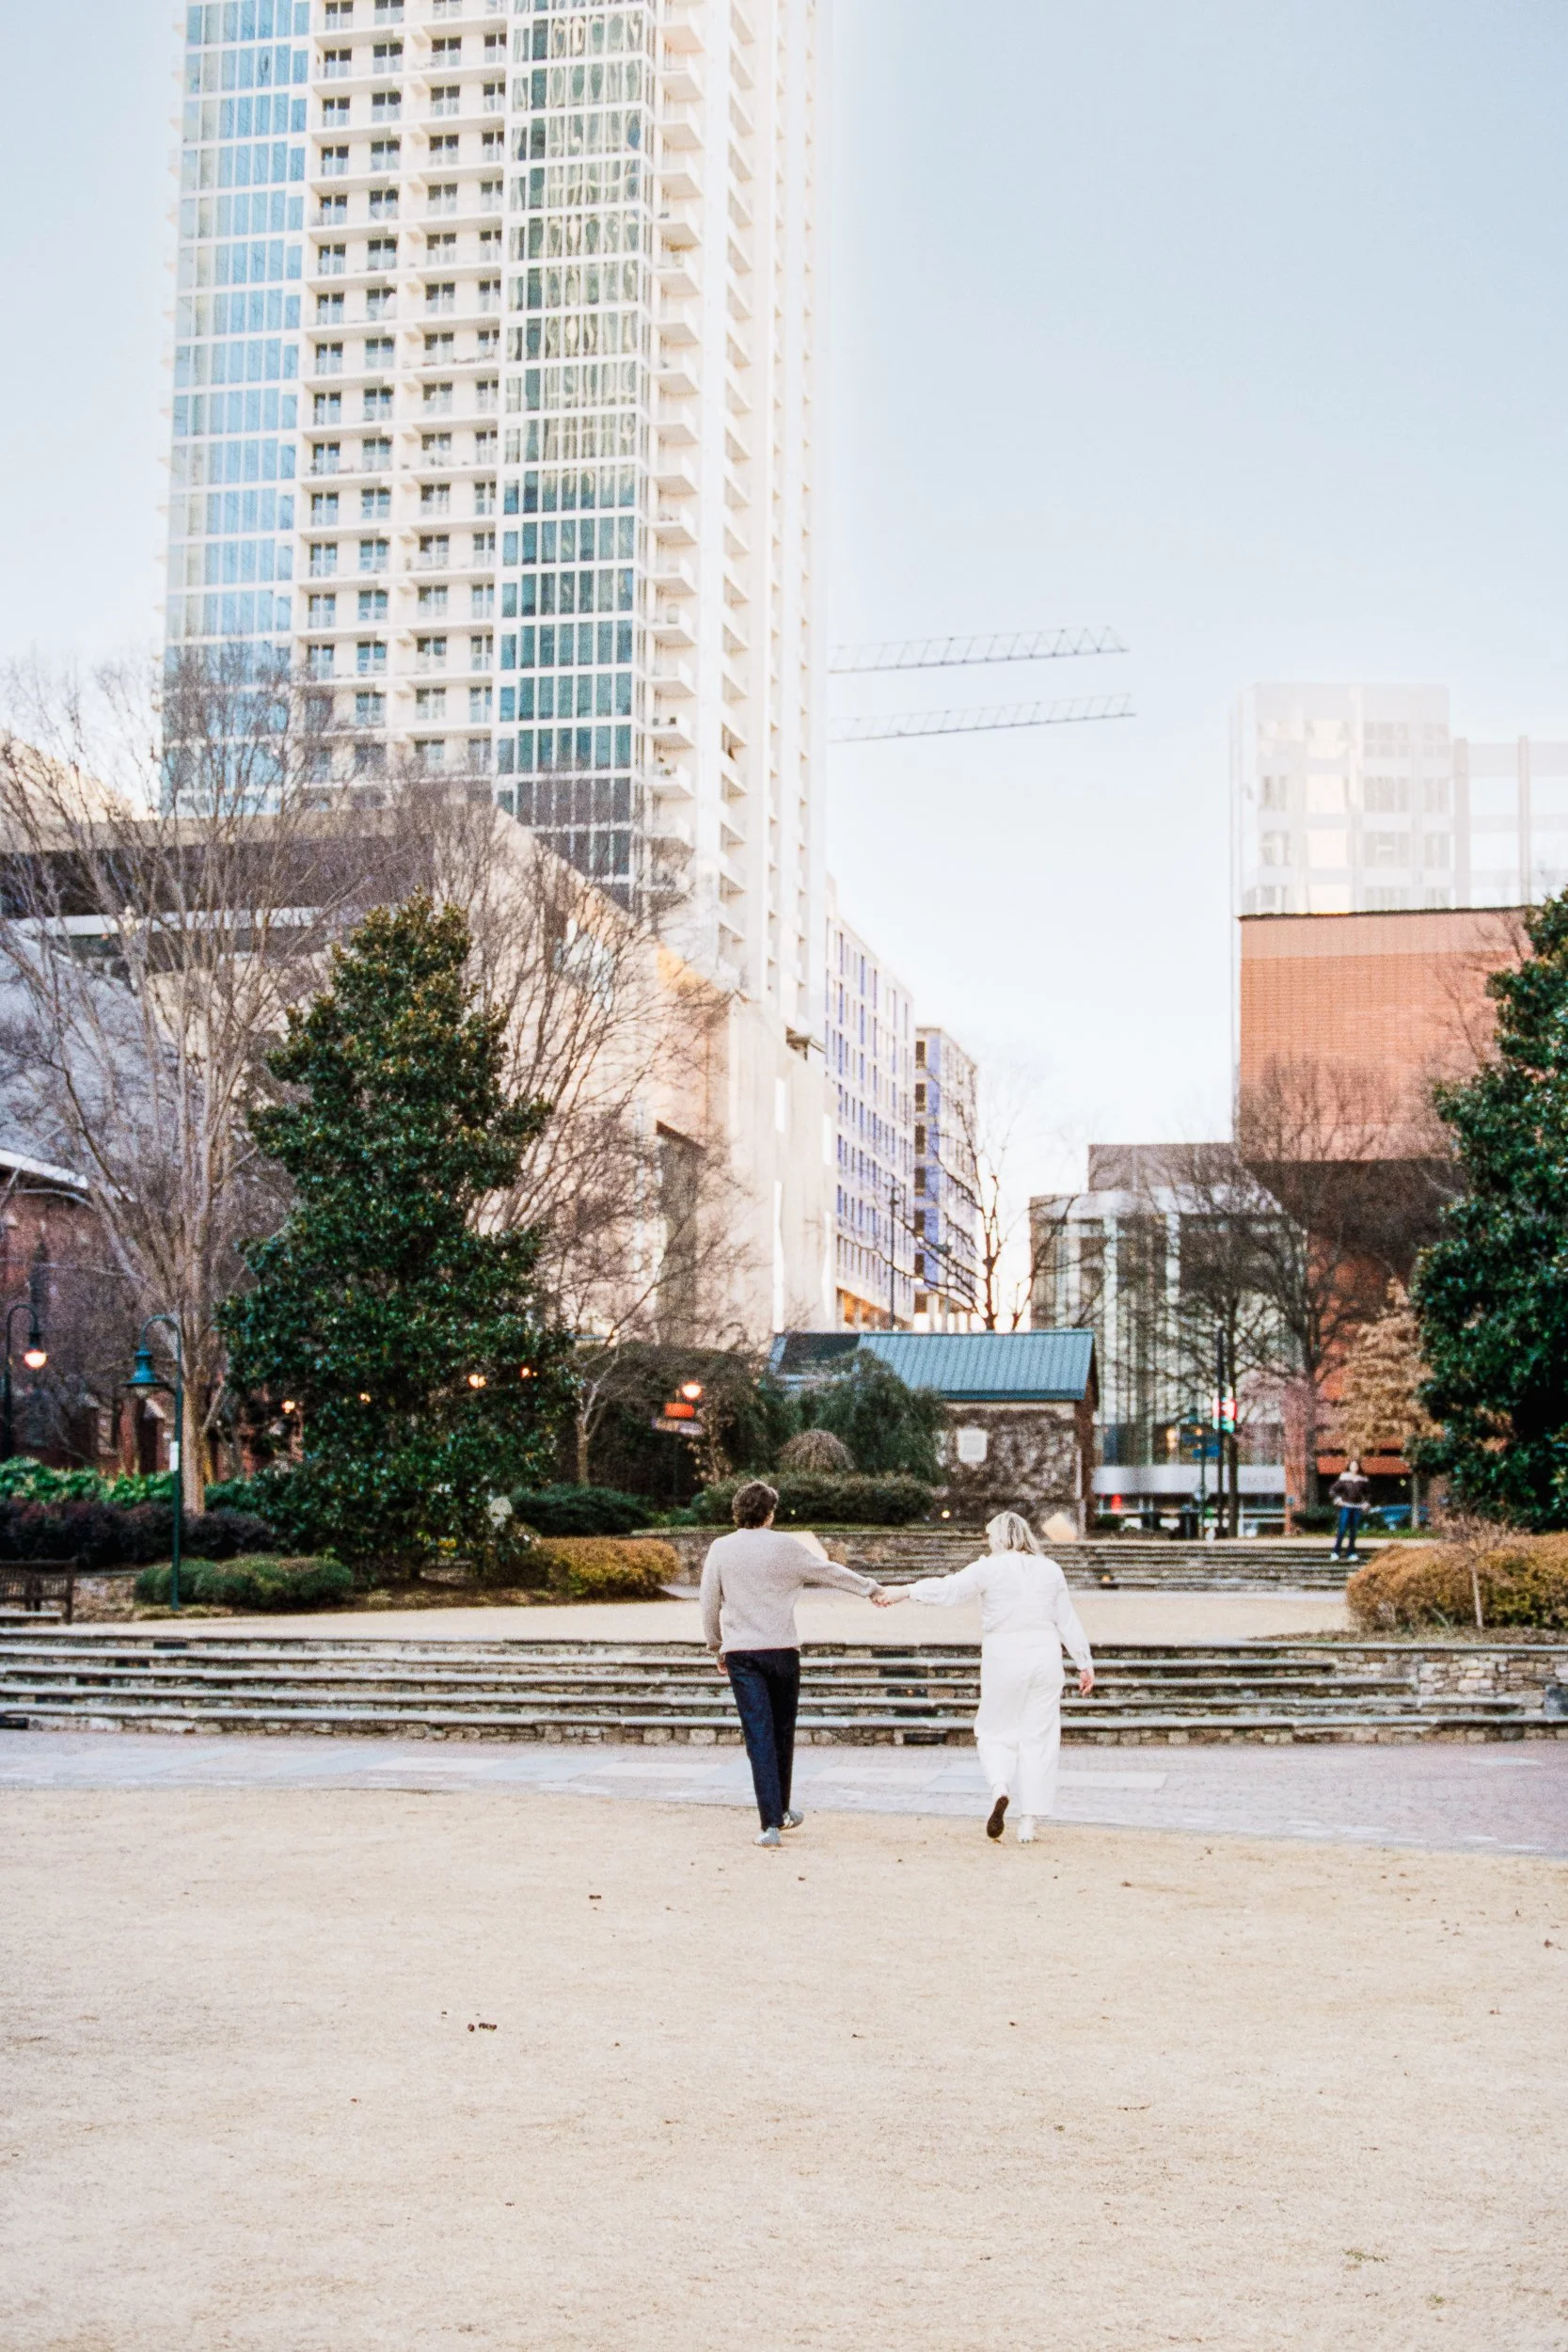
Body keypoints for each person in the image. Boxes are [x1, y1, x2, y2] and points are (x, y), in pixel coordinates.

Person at [700, 1478, 895, 1848]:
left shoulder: (721, 1549)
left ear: (737, 1512)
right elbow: (829, 1571)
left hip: (743, 1654)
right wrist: (870, 1588)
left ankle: (771, 1821)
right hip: (782, 1651)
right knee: (782, 1732)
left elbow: (709, 1602)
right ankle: (780, 1812)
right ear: (770, 1514)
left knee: (758, 1735)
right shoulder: (786, 1547)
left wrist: (716, 1646)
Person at [890, 1509, 1094, 1845]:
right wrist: (1084, 1663)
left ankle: (1000, 1788)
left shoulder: (989, 1567)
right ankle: (1028, 1822)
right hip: (1045, 1654)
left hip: (1004, 1655)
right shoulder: (1050, 1569)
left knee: (994, 1729)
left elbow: (949, 1590)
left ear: (998, 1537)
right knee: (1039, 1737)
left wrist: (906, 1591)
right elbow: (1066, 1619)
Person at [1331, 1458, 1370, 1562]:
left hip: (1357, 1507)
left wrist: (1366, 1502)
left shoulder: (1362, 1480)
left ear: (1358, 1467)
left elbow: (1368, 1493)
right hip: (1346, 1506)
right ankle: (1335, 1552)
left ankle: (1351, 1553)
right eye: (1352, 1466)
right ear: (1349, 1467)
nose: (1354, 1468)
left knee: (1353, 1531)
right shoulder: (1344, 1478)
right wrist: (1338, 1499)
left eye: (1356, 1466)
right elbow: (1333, 1490)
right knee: (1342, 1529)